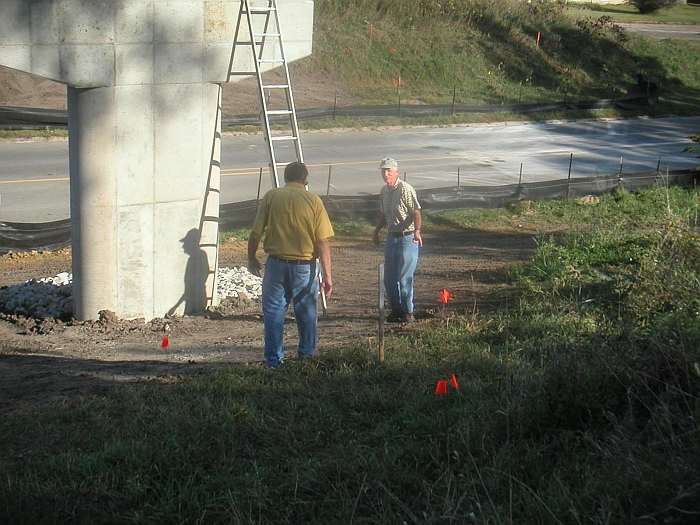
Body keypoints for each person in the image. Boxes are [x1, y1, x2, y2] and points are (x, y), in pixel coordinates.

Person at [248, 161, 334, 368]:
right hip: (304, 266)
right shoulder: (313, 200)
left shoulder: (272, 196)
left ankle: (274, 361)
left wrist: (251, 257)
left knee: (274, 314)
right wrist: (328, 276)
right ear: (305, 180)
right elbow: (322, 241)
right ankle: (306, 357)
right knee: (306, 313)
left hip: (276, 265)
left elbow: (256, 232)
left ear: (286, 178)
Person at [372, 157, 422, 323]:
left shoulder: (405, 189)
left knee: (404, 277)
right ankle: (396, 310)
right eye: (383, 171)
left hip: (407, 237)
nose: (386, 174)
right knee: (389, 278)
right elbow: (384, 215)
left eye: (389, 171)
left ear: (396, 172)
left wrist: (417, 231)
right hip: (392, 237)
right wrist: (377, 231)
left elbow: (416, 211)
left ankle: (408, 311)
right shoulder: (384, 191)